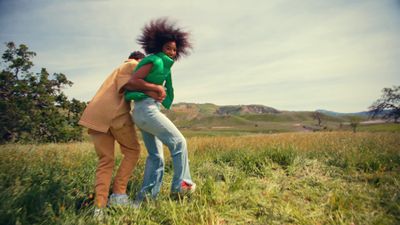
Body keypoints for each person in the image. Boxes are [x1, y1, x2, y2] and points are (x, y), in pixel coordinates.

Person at [123, 18, 195, 205]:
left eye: (174, 49)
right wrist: (156, 89)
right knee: (179, 142)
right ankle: (182, 187)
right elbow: (131, 82)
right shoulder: (153, 60)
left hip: (143, 111)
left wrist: (155, 90)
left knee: (156, 156)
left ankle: (145, 200)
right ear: (159, 47)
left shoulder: (165, 66)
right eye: (168, 48)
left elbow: (145, 86)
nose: (172, 52)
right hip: (146, 110)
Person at [78, 51, 145, 214]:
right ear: (139, 59)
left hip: (95, 116)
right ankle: (118, 195)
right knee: (132, 151)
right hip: (115, 115)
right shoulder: (133, 65)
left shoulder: (116, 71)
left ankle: (99, 207)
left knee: (105, 161)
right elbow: (133, 85)